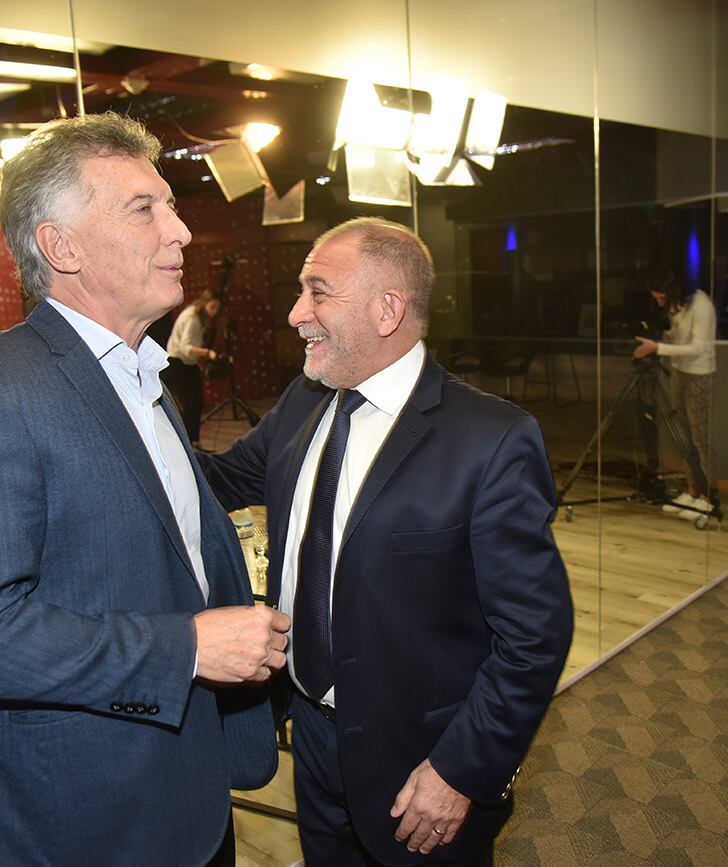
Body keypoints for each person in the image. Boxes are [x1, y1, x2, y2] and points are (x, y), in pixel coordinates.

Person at [0, 112, 290, 867]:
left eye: (171, 205)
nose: (179, 231)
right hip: (89, 817)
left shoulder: (144, 374)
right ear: (62, 246)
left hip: (189, 787)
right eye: (145, 208)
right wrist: (188, 644)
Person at [198, 218, 573, 865]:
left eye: (318, 292)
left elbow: (535, 635)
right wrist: (128, 414)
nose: (296, 314)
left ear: (387, 308)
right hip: (310, 732)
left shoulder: (490, 438)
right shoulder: (302, 402)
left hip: (422, 761)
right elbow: (218, 480)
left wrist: (461, 769)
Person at [633, 270, 717, 521]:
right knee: (684, 435)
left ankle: (709, 497)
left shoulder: (701, 306)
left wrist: (658, 348)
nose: (660, 303)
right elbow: (681, 338)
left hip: (700, 375)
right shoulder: (679, 305)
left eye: (661, 298)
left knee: (701, 438)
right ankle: (692, 490)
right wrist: (666, 337)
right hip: (680, 371)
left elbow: (699, 347)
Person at [162, 288, 223, 445]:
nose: (214, 312)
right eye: (212, 307)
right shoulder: (193, 318)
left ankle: (194, 442)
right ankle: (189, 444)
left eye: (217, 308)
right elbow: (185, 347)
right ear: (204, 303)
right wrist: (208, 353)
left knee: (195, 404)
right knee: (190, 406)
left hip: (187, 363)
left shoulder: (197, 315)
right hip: (179, 363)